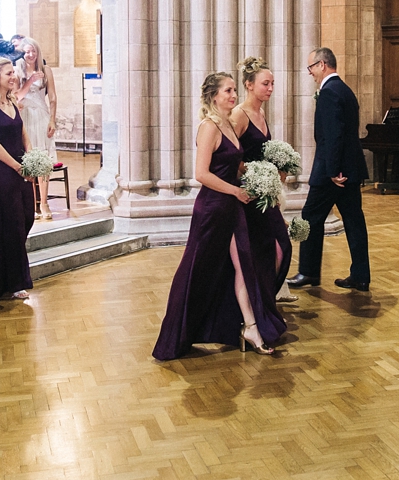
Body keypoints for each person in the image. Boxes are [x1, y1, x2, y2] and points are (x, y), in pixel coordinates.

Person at [153, 72, 285, 359]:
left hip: (232, 208)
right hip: (212, 209)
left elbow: (236, 164)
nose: (233, 95)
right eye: (228, 91)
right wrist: (236, 192)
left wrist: (265, 177)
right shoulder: (209, 126)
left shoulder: (228, 123)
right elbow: (201, 174)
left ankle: (250, 326)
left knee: (243, 265)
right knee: (195, 271)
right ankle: (175, 336)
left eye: (234, 90)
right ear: (214, 96)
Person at [287, 47, 371, 292]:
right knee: (354, 222)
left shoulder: (329, 92)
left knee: (309, 218)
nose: (310, 73)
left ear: (322, 65)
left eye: (311, 67)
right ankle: (361, 275)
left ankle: (308, 272)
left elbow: (333, 136)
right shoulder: (345, 90)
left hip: (332, 173)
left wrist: (333, 171)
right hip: (351, 170)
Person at [230, 56, 295, 304]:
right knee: (273, 246)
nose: (270, 88)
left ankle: (266, 295)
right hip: (249, 194)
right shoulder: (239, 115)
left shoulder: (260, 111)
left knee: (278, 246)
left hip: (265, 192)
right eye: (265, 83)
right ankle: (260, 300)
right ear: (249, 85)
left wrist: (280, 168)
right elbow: (231, 156)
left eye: (272, 84)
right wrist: (257, 176)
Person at [0, 58, 36, 299]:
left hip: (20, 166)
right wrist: (15, 166)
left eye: (14, 72)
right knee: (10, 221)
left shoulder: (12, 99)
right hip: (1, 169)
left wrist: (30, 159)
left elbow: (23, 133)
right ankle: (11, 281)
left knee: (26, 216)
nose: (14, 77)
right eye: (8, 73)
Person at [15, 38, 58, 220]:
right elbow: (17, 96)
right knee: (29, 159)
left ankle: (44, 202)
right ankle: (31, 203)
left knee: (43, 160)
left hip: (41, 116)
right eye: (26, 52)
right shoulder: (17, 71)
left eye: (33, 51)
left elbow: (53, 97)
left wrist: (53, 120)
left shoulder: (46, 70)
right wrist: (30, 79)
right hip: (25, 117)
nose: (30, 55)